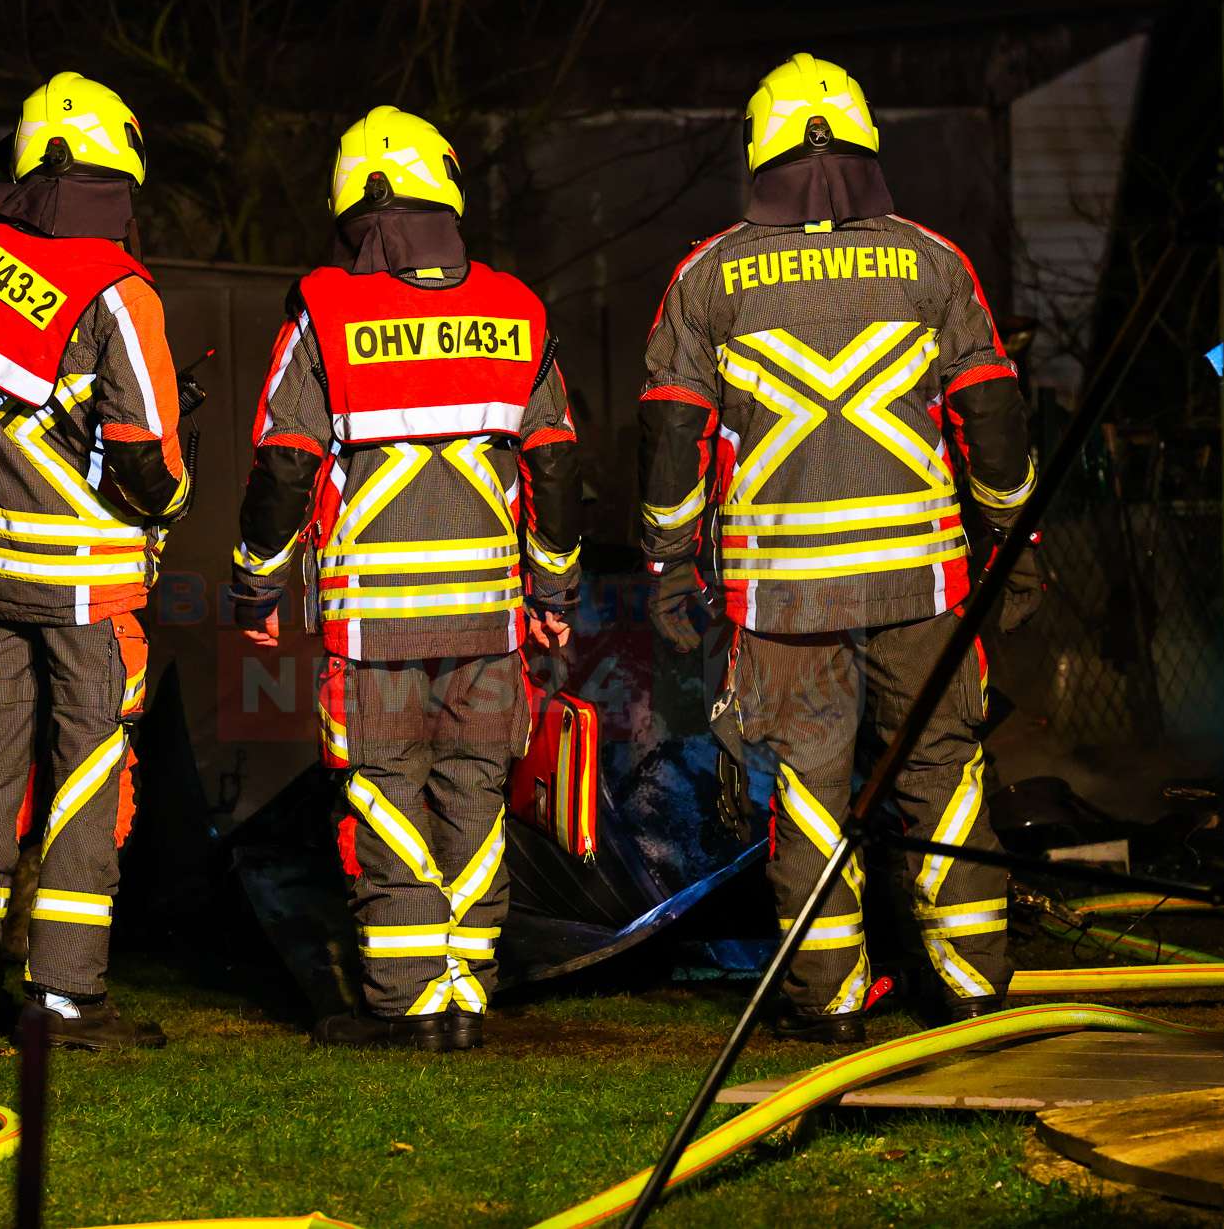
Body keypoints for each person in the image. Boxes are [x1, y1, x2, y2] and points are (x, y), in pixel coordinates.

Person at [638, 53, 1042, 1044]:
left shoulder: (706, 275)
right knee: (943, 772)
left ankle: (827, 1003)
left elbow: (672, 435)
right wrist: (1010, 534)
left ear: (759, 153)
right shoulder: (934, 261)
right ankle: (972, 989)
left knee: (809, 792)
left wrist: (670, 562)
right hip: (923, 581)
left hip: (784, 599)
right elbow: (992, 417)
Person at [229, 106, 582, 1052]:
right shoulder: (517, 308)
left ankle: (405, 1000)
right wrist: (554, 593)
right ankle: (466, 992)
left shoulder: (325, 311)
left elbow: (284, 465)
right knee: (475, 792)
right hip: (489, 621)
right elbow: (554, 465)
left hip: (373, 625)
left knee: (386, 794)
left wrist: (256, 589)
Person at [0, 72, 191, 1050]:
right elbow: (149, 460)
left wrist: (11, 161)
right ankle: (66, 998)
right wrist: (174, 499)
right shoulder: (120, 293)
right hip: (86, 590)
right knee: (85, 782)